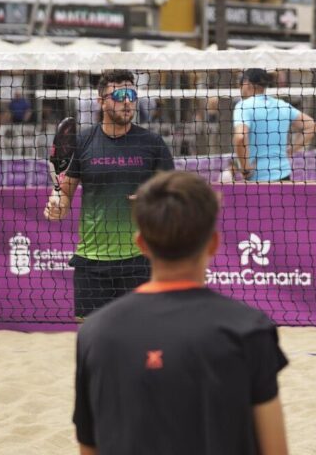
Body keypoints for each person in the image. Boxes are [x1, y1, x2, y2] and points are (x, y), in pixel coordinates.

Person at [74, 171, 290, 455]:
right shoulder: (249, 329)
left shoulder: (95, 332)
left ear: (141, 244)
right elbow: (275, 450)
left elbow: (89, 447)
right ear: (213, 243)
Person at [43, 70, 175, 319]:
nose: (127, 101)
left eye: (132, 95)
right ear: (101, 100)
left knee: (138, 343)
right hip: (91, 263)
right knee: (92, 343)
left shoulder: (152, 143)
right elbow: (65, 194)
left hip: (139, 260)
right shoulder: (83, 142)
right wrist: (56, 204)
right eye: (119, 95)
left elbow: (174, 196)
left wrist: (153, 200)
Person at [233, 68, 316, 182]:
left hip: (258, 179)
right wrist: (291, 150)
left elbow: (240, 137)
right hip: (284, 176)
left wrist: (245, 169)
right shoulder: (281, 105)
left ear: (246, 83)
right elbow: (312, 126)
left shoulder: (243, 106)